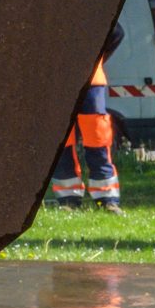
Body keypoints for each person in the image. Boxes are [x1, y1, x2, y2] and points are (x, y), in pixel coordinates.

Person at [49, 20, 124, 212]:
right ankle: (68, 199)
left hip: (90, 81)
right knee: (63, 141)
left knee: (97, 137)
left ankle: (107, 199)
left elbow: (116, 32)